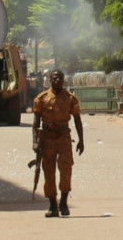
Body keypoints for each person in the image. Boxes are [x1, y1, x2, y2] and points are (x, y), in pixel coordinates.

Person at [32, 69, 84, 218]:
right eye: (54, 78)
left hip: (64, 138)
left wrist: (81, 140)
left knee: (66, 170)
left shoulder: (70, 98)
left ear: (63, 80)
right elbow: (35, 123)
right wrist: (35, 141)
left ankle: (64, 202)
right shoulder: (41, 99)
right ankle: (53, 205)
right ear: (50, 80)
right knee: (49, 172)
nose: (57, 81)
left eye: (60, 78)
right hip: (47, 138)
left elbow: (77, 120)